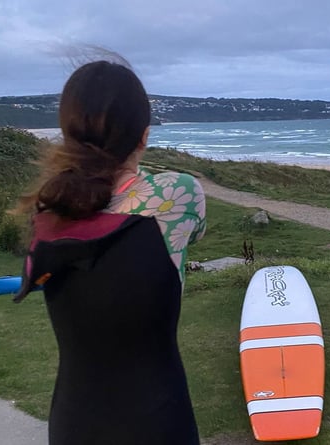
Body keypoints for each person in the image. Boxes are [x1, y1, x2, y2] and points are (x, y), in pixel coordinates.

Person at [14, 59, 206, 444]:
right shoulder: (179, 195)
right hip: (157, 421)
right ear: (144, 136)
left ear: (68, 133)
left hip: (73, 422)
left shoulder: (50, 209)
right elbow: (194, 233)